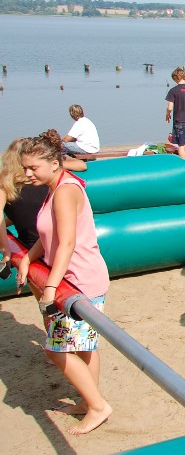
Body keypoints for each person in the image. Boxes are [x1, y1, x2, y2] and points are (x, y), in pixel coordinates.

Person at [16, 130, 113, 435]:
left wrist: (49, 288)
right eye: (25, 168)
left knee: (56, 350)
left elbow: (67, 242)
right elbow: (49, 237)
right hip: (73, 279)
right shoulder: (54, 187)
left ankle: (98, 406)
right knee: (84, 347)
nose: (27, 174)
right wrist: (28, 258)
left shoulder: (65, 191)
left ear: (54, 163)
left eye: (33, 168)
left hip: (80, 282)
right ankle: (88, 401)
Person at [1, 139, 49, 272]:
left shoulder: (6, 186)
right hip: (54, 246)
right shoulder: (45, 180)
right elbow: (34, 211)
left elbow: (23, 214)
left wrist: (6, 252)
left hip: (30, 250)